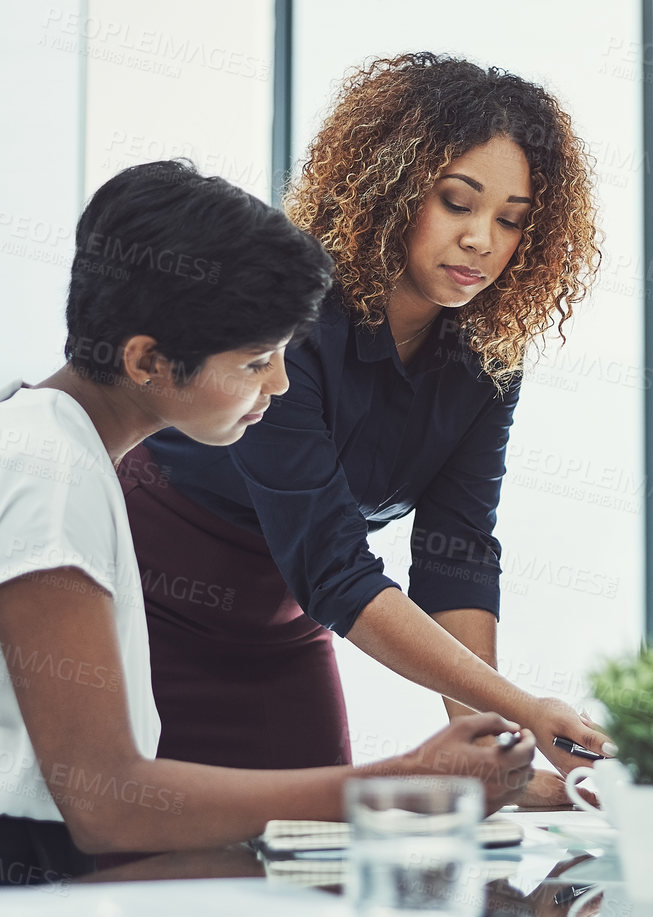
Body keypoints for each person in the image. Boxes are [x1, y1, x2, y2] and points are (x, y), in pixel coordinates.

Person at [0, 160, 534, 917]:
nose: (282, 386)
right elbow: (109, 805)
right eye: (256, 362)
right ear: (148, 361)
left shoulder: (60, 444)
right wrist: (408, 783)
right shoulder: (45, 476)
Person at [128, 53, 607, 794]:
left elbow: (457, 558)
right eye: (457, 202)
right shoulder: (295, 319)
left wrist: (503, 754)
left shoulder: (485, 362)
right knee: (162, 864)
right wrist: (522, 711)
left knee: (309, 880)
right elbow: (332, 566)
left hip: (283, 626)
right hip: (151, 608)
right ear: (390, 186)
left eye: (511, 221)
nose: (483, 239)